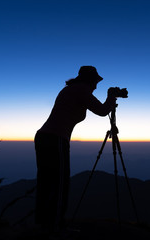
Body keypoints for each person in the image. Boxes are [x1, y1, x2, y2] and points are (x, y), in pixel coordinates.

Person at [34, 66, 117, 233]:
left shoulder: (71, 89)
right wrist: (111, 97)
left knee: (47, 182)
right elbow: (101, 111)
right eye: (95, 82)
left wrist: (110, 99)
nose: (96, 86)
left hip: (46, 138)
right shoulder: (80, 90)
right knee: (59, 183)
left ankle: (44, 225)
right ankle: (56, 228)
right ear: (88, 80)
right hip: (55, 139)